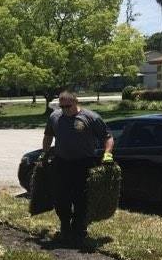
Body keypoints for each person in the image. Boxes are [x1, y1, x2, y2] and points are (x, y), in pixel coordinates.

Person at [42, 91, 114, 246]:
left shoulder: (91, 117)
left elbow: (108, 137)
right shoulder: (55, 117)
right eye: (62, 106)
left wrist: (107, 154)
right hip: (62, 163)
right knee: (61, 198)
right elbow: (48, 135)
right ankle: (65, 227)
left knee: (81, 199)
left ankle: (79, 230)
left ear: (76, 102)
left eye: (68, 106)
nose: (65, 109)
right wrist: (45, 152)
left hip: (84, 163)